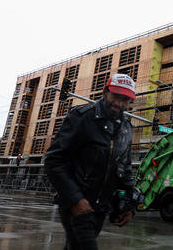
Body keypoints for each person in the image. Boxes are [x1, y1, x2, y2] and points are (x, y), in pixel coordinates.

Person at [44, 73, 136, 250]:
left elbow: (125, 170)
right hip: (76, 206)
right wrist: (75, 199)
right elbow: (54, 161)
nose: (119, 103)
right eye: (115, 96)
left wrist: (130, 206)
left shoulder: (126, 128)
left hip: (100, 209)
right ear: (105, 92)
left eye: (125, 99)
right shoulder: (81, 117)